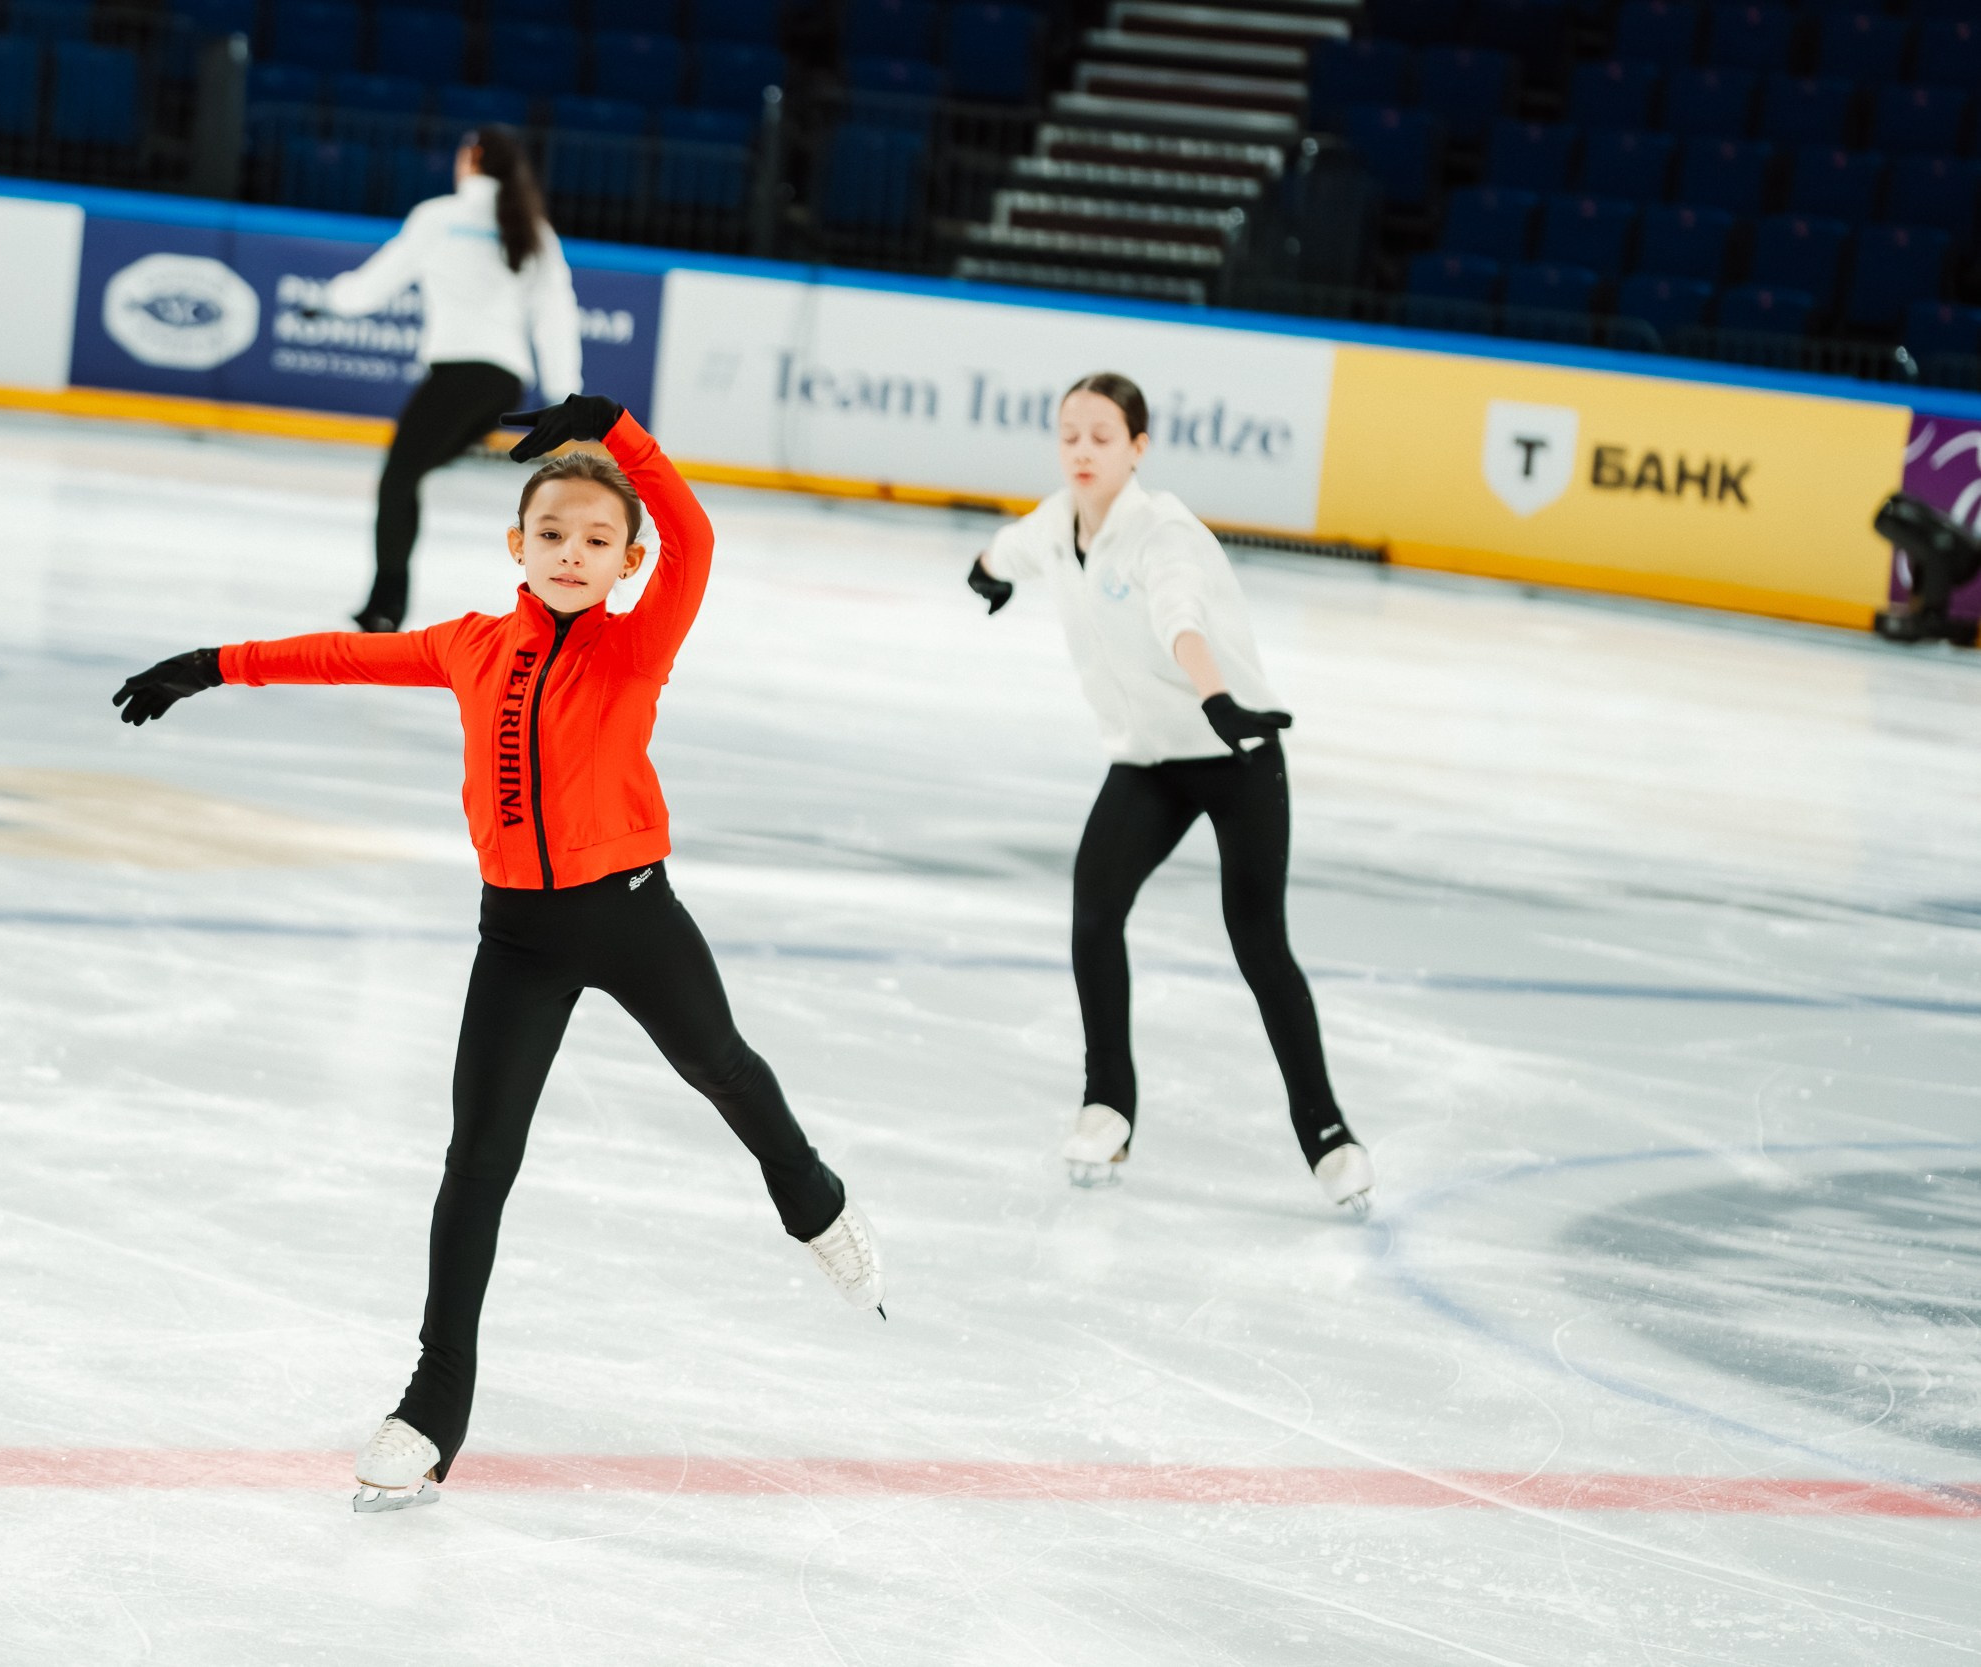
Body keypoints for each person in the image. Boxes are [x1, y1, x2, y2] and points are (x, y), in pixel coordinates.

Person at [113, 395, 885, 1514]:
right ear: (516, 545)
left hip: (630, 913)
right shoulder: (471, 646)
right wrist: (212, 662)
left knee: (717, 1063)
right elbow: (344, 653)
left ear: (627, 561)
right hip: (517, 935)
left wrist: (621, 434)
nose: (574, 552)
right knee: (479, 1158)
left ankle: (809, 1193)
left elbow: (698, 535)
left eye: (598, 538)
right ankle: (434, 1403)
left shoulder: (637, 641)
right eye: (554, 533)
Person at [966, 372, 1374, 1215]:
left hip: (1235, 750)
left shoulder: (1165, 535)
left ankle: (1327, 1134)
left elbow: (1179, 619)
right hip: (1149, 759)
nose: (1082, 449)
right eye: (1070, 433)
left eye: (1101, 436)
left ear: (1137, 448)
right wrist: (986, 573)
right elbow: (1010, 548)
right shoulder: (1057, 522)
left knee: (1258, 940)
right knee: (1094, 911)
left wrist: (1220, 699)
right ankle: (1107, 1106)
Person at [311, 125, 583, 634]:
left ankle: (386, 605)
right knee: (407, 475)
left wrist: (328, 299)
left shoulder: (439, 218)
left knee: (399, 478)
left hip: (460, 375)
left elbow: (372, 286)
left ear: (473, 157)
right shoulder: (533, 228)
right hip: (504, 386)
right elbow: (557, 316)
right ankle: (387, 600)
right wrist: (565, 393)